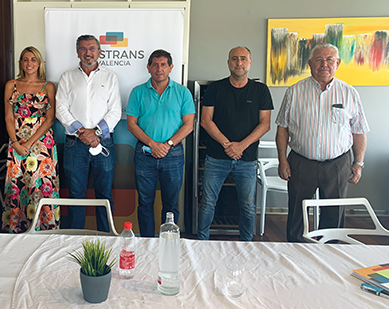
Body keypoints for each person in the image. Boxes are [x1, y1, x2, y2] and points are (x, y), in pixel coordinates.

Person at [276, 43, 369, 242]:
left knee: (334, 215)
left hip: (337, 164)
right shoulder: (294, 92)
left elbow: (359, 131)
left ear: (338, 63)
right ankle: (294, 253)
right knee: (297, 214)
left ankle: (329, 254)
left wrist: (358, 163)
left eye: (329, 60)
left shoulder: (349, 93)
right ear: (310, 63)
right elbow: (282, 128)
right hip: (301, 162)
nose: (324, 64)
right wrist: (282, 160)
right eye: (318, 59)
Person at [197, 46, 273, 241]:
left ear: (250, 62)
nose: (239, 63)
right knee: (207, 203)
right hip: (216, 157)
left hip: (247, 159)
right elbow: (205, 120)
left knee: (247, 204)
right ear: (228, 62)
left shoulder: (261, 90)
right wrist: (227, 145)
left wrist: (241, 146)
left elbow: (265, 124)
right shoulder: (215, 88)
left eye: (243, 59)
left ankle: (246, 244)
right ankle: (201, 241)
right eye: (234, 59)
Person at [55, 34, 121, 232]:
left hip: (104, 143)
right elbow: (60, 108)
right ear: (77, 53)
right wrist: (82, 132)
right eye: (83, 49)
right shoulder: (67, 77)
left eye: (92, 48)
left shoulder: (110, 77)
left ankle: (106, 236)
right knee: (76, 194)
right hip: (75, 143)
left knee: (104, 193)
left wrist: (96, 133)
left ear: (99, 52)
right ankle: (77, 237)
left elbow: (116, 110)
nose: (88, 52)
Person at [126, 49, 195, 237]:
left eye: (163, 64)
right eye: (155, 64)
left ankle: (169, 242)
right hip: (144, 154)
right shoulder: (138, 92)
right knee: (145, 202)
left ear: (171, 67)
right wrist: (153, 144)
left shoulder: (182, 93)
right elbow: (131, 124)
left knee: (171, 204)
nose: (159, 68)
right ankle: (147, 243)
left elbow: (189, 125)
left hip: (173, 155)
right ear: (148, 68)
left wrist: (168, 144)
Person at [2, 46, 59, 233]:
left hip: (42, 144)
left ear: (39, 63)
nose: (29, 63)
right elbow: (8, 117)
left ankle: (44, 228)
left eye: (33, 59)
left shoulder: (48, 86)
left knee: (40, 185)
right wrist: (16, 143)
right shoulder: (12, 85)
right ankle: (18, 228)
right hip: (16, 142)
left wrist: (29, 142)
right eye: (25, 59)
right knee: (18, 184)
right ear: (21, 63)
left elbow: (50, 119)